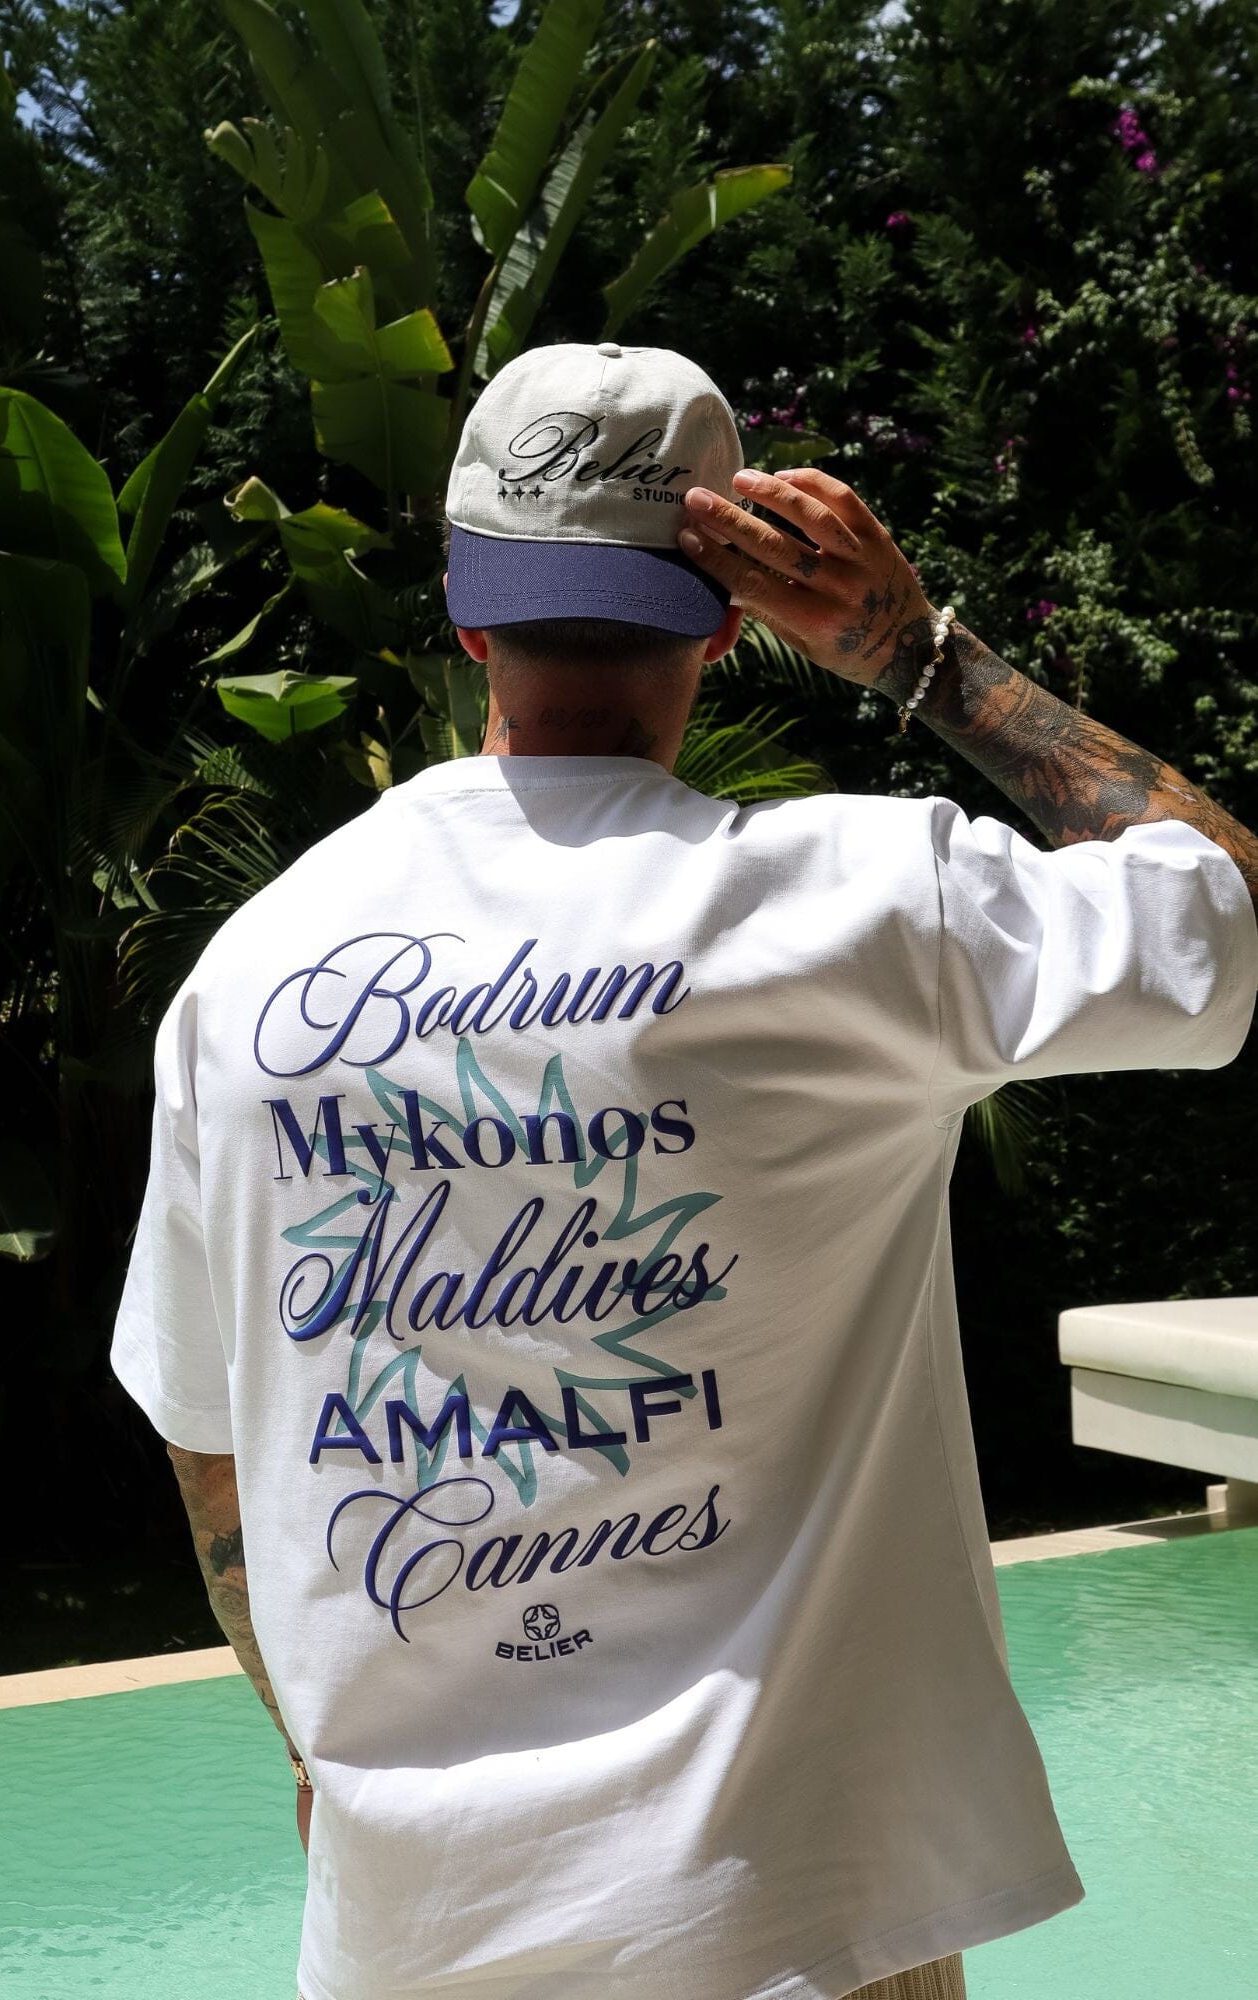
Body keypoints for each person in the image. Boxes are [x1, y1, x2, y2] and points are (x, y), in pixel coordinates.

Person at [110, 341, 1258, 2000]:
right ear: (726, 621)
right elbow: (1226, 906)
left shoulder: (249, 983)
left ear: (466, 610)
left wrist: (311, 1748)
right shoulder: (867, 911)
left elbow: (208, 1442)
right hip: (791, 1918)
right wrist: (919, 654)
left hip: (422, 1938)